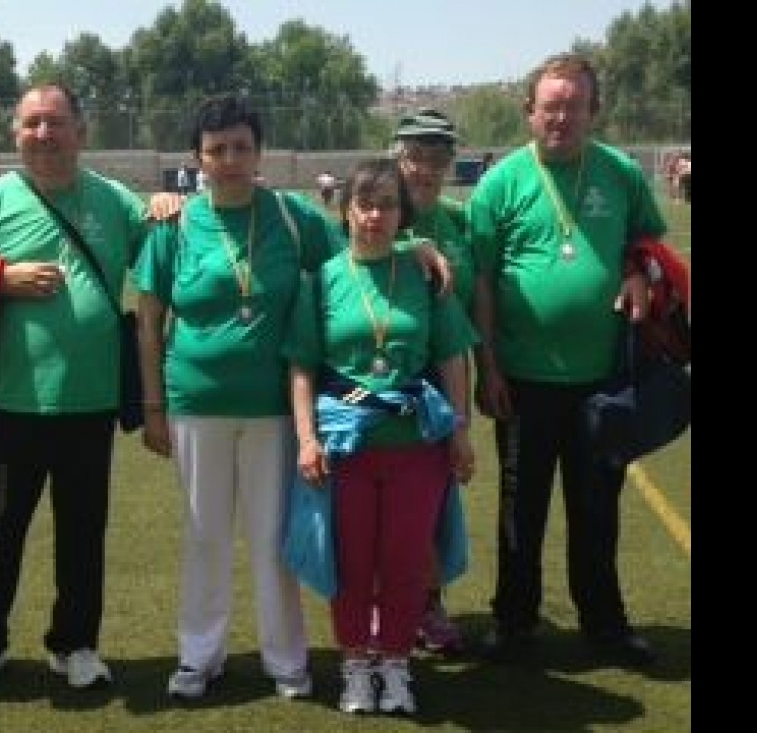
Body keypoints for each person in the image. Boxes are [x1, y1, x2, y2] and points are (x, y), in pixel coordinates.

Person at [136, 95, 456, 702]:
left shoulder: (291, 218)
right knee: (204, 533)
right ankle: (197, 657)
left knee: (273, 536)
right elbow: (149, 323)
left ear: (259, 152)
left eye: (241, 147)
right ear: (197, 159)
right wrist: (153, 407)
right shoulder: (175, 224)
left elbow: (360, 256)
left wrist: (414, 248)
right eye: (216, 149)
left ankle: (286, 659)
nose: (230, 160)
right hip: (195, 404)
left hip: (276, 409)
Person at [0, 83, 152, 696]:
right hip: (11, 404)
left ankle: (75, 645)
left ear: (82, 130)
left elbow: (163, 255)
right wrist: (0, 277)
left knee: (83, 531)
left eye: (55, 122)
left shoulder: (113, 201)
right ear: (15, 133)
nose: (43, 134)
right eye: (31, 123)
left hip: (91, 402)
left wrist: (167, 207)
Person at [467, 52, 665, 668]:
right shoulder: (500, 184)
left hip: (604, 380)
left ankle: (605, 624)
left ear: (592, 110)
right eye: (550, 106)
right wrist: (489, 369)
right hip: (523, 381)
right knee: (519, 510)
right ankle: (515, 622)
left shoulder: (621, 174)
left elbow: (649, 243)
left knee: (596, 508)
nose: (561, 117)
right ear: (529, 112)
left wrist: (636, 270)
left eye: (573, 105)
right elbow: (482, 286)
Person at [284, 158, 477, 715]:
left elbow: (451, 356)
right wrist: (305, 439)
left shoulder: (423, 273)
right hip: (345, 448)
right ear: (346, 210)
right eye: (365, 204)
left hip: (417, 446)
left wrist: (459, 430)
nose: (374, 215)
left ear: (402, 213)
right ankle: (354, 666)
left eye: (387, 204)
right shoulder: (321, 279)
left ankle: (395, 664)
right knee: (350, 563)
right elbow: (300, 366)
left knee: (405, 560)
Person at [390, 108, 474, 657]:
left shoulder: (459, 222)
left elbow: (475, 298)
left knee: (436, 501)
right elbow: (340, 258)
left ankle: (428, 604)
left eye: (436, 158)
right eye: (415, 156)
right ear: (399, 157)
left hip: (443, 383)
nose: (425, 168)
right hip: (379, 386)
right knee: (378, 501)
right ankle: (387, 605)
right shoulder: (376, 211)